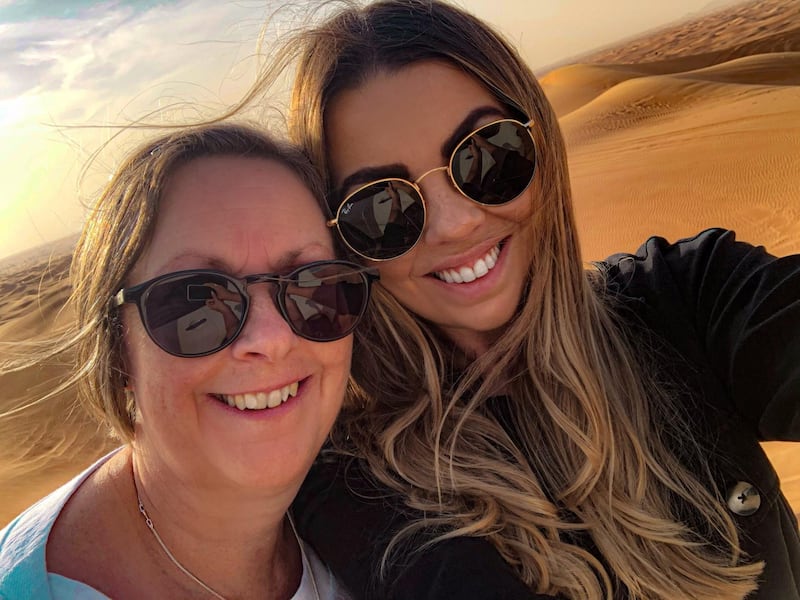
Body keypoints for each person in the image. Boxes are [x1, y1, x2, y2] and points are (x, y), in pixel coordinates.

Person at [235, 1, 800, 599]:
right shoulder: (355, 481)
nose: (453, 225)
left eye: (487, 155)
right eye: (382, 208)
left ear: (541, 145)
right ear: (343, 244)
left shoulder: (692, 298)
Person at [0, 123, 378, 599]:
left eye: (312, 285)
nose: (271, 338)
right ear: (118, 351)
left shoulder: (394, 531)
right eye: (196, 303)